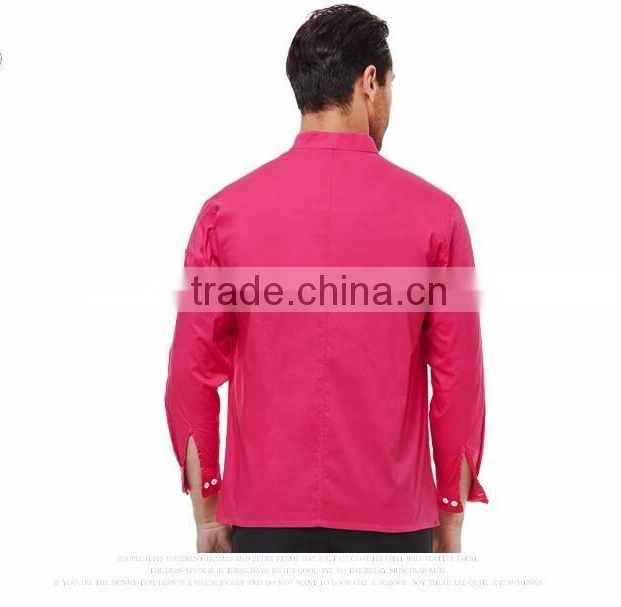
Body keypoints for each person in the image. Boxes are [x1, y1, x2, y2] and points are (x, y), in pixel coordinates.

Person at [164, 4, 488, 553]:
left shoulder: (225, 213)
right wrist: (450, 517)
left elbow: (191, 373)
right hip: (393, 520)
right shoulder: (439, 216)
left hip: (263, 518)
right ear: (369, 82)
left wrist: (207, 512)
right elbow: (458, 380)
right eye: (390, 85)